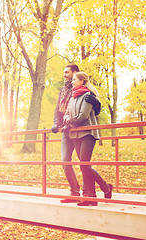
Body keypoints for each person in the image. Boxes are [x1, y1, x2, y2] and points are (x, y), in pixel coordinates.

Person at [51, 64, 101, 203]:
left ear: (75, 74)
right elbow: (59, 109)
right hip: (67, 130)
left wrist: (97, 104)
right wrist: (56, 123)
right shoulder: (64, 90)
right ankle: (74, 192)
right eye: (64, 72)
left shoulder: (85, 90)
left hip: (80, 130)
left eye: (67, 72)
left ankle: (89, 193)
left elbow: (93, 111)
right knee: (65, 161)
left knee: (84, 163)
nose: (65, 75)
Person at [62, 72, 112, 206]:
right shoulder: (72, 97)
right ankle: (93, 196)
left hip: (88, 134)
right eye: (72, 80)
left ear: (82, 81)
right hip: (76, 135)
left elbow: (83, 116)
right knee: (85, 166)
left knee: (84, 165)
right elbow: (66, 113)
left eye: (74, 80)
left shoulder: (88, 96)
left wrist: (69, 121)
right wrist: (68, 119)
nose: (72, 82)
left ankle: (102, 189)